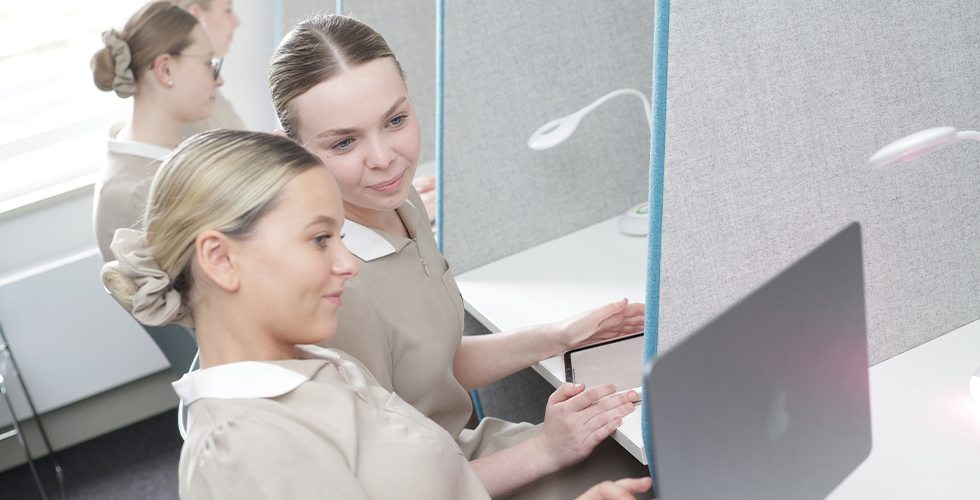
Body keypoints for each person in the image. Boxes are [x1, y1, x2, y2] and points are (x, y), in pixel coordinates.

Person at [100, 129, 653, 500]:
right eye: (320, 239)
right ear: (221, 259)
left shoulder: (314, 364)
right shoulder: (243, 452)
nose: (348, 264)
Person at [269, 14, 647, 497]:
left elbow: (430, 367)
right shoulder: (332, 284)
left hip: (465, 455)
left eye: (395, 120)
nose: (384, 158)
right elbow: (380, 486)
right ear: (291, 149)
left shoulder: (396, 200)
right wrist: (545, 450)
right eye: (344, 142)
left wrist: (556, 337)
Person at [90, 1, 223, 261]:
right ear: (166, 69)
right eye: (209, 63)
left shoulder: (158, 156)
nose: (219, 79)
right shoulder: (140, 193)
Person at [171, 0, 246, 138]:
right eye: (227, 10)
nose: (237, 22)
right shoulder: (191, 104)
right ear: (196, 15)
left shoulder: (212, 98)